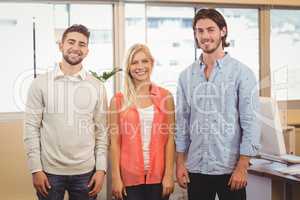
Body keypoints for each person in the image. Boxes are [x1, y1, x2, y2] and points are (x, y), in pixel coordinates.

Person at [175, 8, 261, 200]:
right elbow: (182, 124)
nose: (205, 36)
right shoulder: (186, 76)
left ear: (223, 31)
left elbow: (251, 123)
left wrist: (242, 166)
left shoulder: (242, 73)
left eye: (210, 30)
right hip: (196, 168)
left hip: (230, 170)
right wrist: (180, 164)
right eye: (200, 31)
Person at [24, 24, 108, 200]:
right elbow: (31, 128)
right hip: (49, 173)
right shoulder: (40, 84)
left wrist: (101, 169)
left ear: (87, 50)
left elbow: (102, 131)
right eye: (71, 42)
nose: (76, 48)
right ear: (60, 45)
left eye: (82, 44)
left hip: (86, 172)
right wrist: (36, 169)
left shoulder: (97, 86)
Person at [109, 43, 175, 200]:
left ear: (151, 63)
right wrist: (116, 178)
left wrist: (168, 175)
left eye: (144, 61)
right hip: (129, 178)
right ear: (128, 67)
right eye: (134, 62)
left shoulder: (166, 97)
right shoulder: (118, 100)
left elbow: (170, 139)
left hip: (158, 177)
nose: (140, 67)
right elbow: (114, 142)